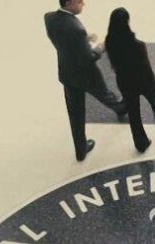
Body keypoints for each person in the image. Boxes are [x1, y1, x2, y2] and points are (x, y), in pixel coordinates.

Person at [44, 0, 128, 162]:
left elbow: (63, 39)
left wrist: (84, 39)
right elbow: (89, 57)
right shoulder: (76, 29)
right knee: (104, 94)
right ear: (69, 3)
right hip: (87, 75)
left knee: (75, 114)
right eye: (79, 1)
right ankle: (120, 108)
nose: (83, 3)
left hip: (67, 74)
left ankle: (80, 149)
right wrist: (101, 46)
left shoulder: (49, 18)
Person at [105, 7, 155, 153]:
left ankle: (141, 142)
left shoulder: (109, 42)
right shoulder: (137, 45)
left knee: (134, 114)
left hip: (125, 83)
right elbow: (146, 69)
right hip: (144, 83)